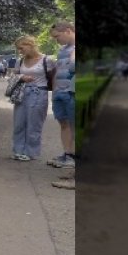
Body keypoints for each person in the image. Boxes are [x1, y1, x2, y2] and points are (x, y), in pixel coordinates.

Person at [11, 35, 55, 161]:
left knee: (34, 124)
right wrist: (21, 78)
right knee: (19, 123)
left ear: (30, 44)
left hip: (39, 93)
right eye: (18, 49)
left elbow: (53, 78)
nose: (20, 51)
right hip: (22, 94)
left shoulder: (47, 60)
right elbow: (13, 77)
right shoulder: (20, 61)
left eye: (21, 48)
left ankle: (30, 152)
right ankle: (18, 150)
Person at [47, 21, 76, 169]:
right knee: (64, 123)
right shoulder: (62, 50)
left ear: (68, 31)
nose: (56, 40)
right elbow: (57, 71)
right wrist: (54, 91)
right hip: (60, 93)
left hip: (73, 93)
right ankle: (68, 154)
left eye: (57, 36)